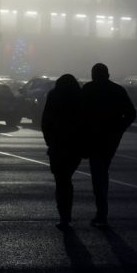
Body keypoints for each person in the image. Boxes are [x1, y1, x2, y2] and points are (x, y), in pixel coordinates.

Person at [81, 63, 136, 228]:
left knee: (98, 174)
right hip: (111, 138)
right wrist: (120, 128)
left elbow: (79, 113)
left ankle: (101, 212)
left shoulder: (88, 89)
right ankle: (101, 212)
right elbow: (131, 113)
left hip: (93, 137)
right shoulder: (117, 90)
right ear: (108, 74)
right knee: (101, 171)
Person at [41, 74, 83, 230]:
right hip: (75, 145)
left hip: (58, 144)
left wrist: (49, 140)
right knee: (67, 179)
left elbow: (46, 120)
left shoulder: (54, 96)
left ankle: (64, 215)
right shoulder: (80, 97)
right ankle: (67, 213)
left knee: (61, 181)